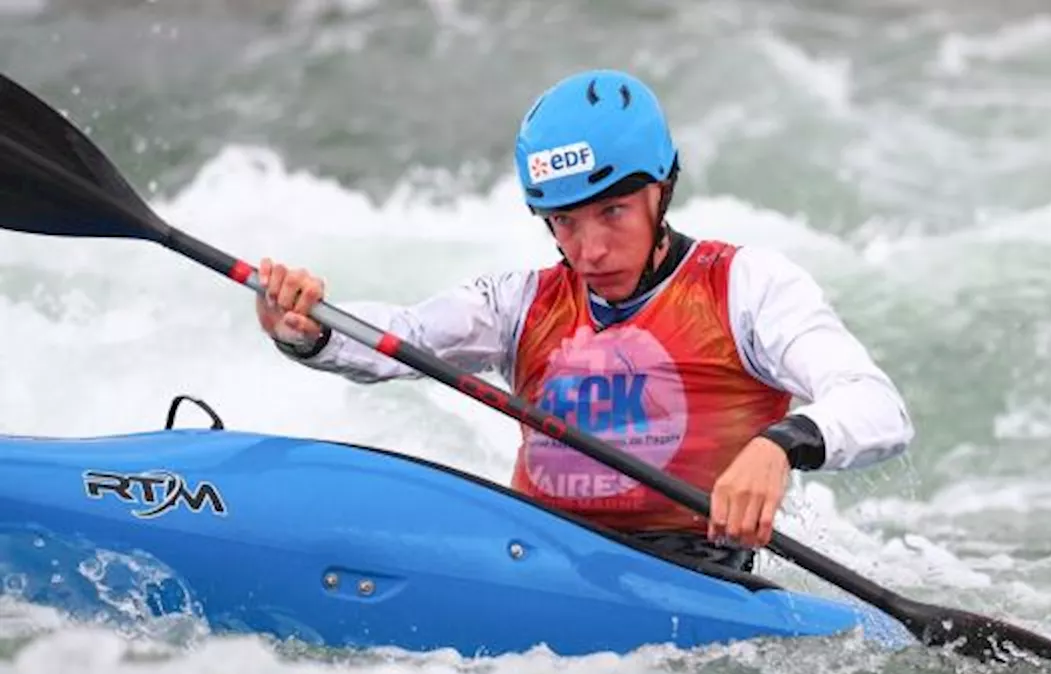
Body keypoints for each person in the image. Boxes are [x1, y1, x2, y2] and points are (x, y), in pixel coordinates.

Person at [255, 68, 913, 577]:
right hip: (540, 564)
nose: (587, 250)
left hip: (696, 574)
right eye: (564, 222)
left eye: (613, 213)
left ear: (662, 189)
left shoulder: (747, 286)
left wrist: (783, 443)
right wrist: (305, 325)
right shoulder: (519, 302)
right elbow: (401, 338)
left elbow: (878, 407)